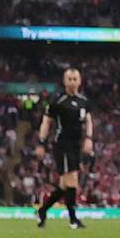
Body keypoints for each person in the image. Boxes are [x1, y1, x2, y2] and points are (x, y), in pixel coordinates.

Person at [35, 68, 93, 229]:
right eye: (69, 79)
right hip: (62, 144)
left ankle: (42, 211)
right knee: (72, 180)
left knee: (63, 185)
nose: (72, 82)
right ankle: (73, 219)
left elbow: (89, 120)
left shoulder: (83, 101)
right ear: (64, 81)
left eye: (75, 79)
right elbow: (46, 122)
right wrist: (41, 142)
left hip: (76, 145)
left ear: (80, 81)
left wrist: (89, 138)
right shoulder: (58, 100)